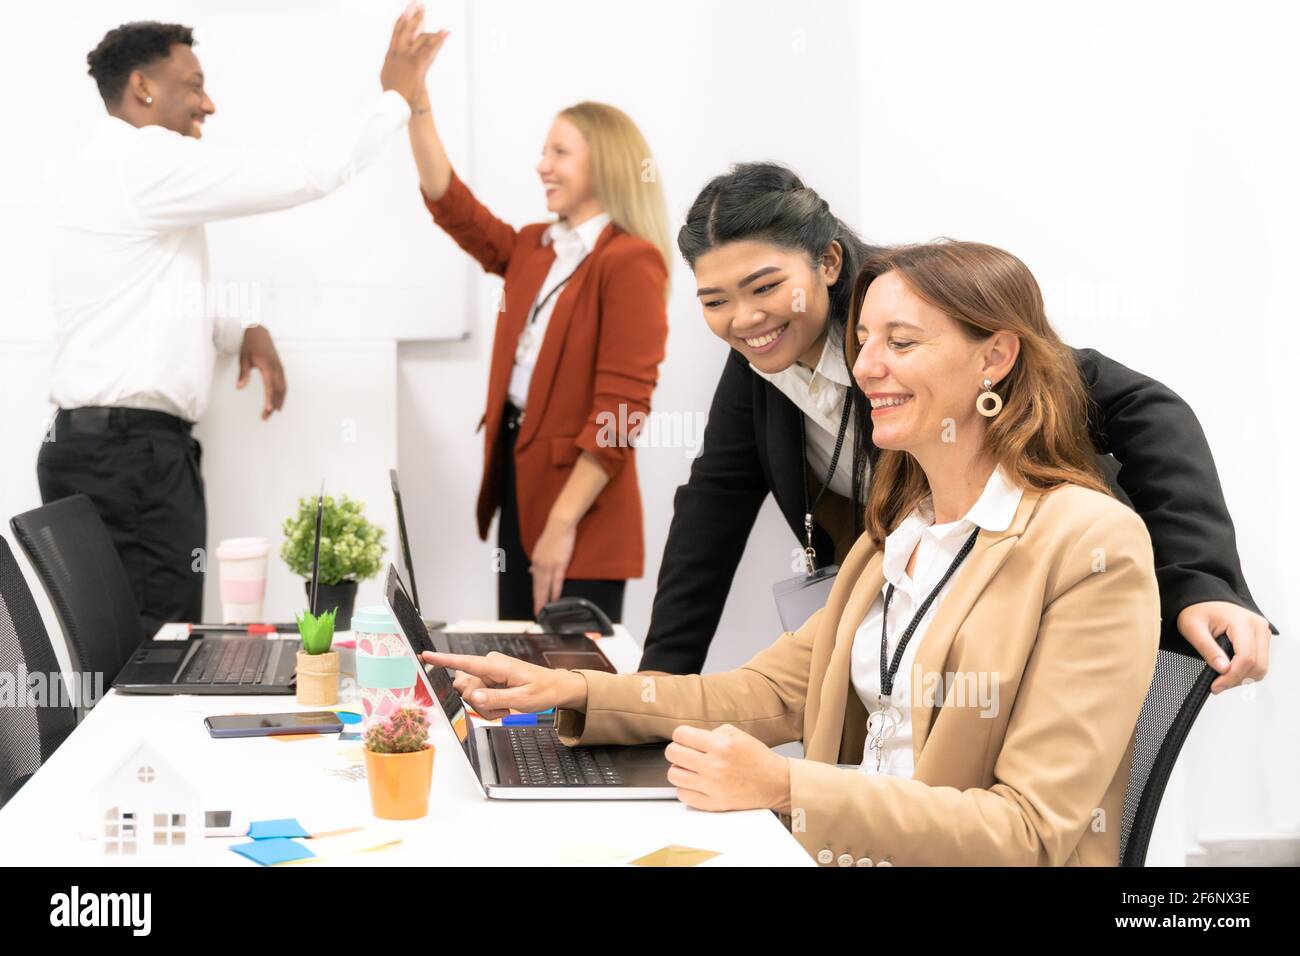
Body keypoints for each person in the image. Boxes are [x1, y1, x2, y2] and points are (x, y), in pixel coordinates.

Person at [425, 241, 1162, 866]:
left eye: (900, 343)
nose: (867, 366)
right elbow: (764, 695)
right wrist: (577, 691)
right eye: (864, 340)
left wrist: (787, 789)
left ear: (994, 358)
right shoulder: (898, 534)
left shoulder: (1088, 545)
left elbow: (1029, 832)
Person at [637, 163, 1273, 693]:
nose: (743, 319)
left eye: (765, 287)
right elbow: (710, 514)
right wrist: (650, 691)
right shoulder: (761, 355)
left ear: (828, 262)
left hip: (1034, 597)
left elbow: (1146, 408)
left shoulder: (910, 306)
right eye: (714, 301)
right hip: (919, 616)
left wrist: (1201, 580)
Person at [39, 9, 441, 637]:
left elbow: (151, 291)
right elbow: (302, 174)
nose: (210, 104)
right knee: (155, 652)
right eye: (193, 85)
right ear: (143, 87)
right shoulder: (145, 161)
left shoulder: (113, 168)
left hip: (103, 452)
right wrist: (395, 98)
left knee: (115, 651)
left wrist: (240, 326)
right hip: (133, 460)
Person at [406, 34, 671, 623]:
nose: (541, 165)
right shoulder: (535, 247)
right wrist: (417, 103)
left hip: (580, 512)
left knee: (568, 693)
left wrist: (558, 524)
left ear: (605, 162)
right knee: (518, 678)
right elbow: (452, 205)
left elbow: (622, 413)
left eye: (559, 152)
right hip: (521, 492)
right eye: (543, 151)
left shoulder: (629, 261)